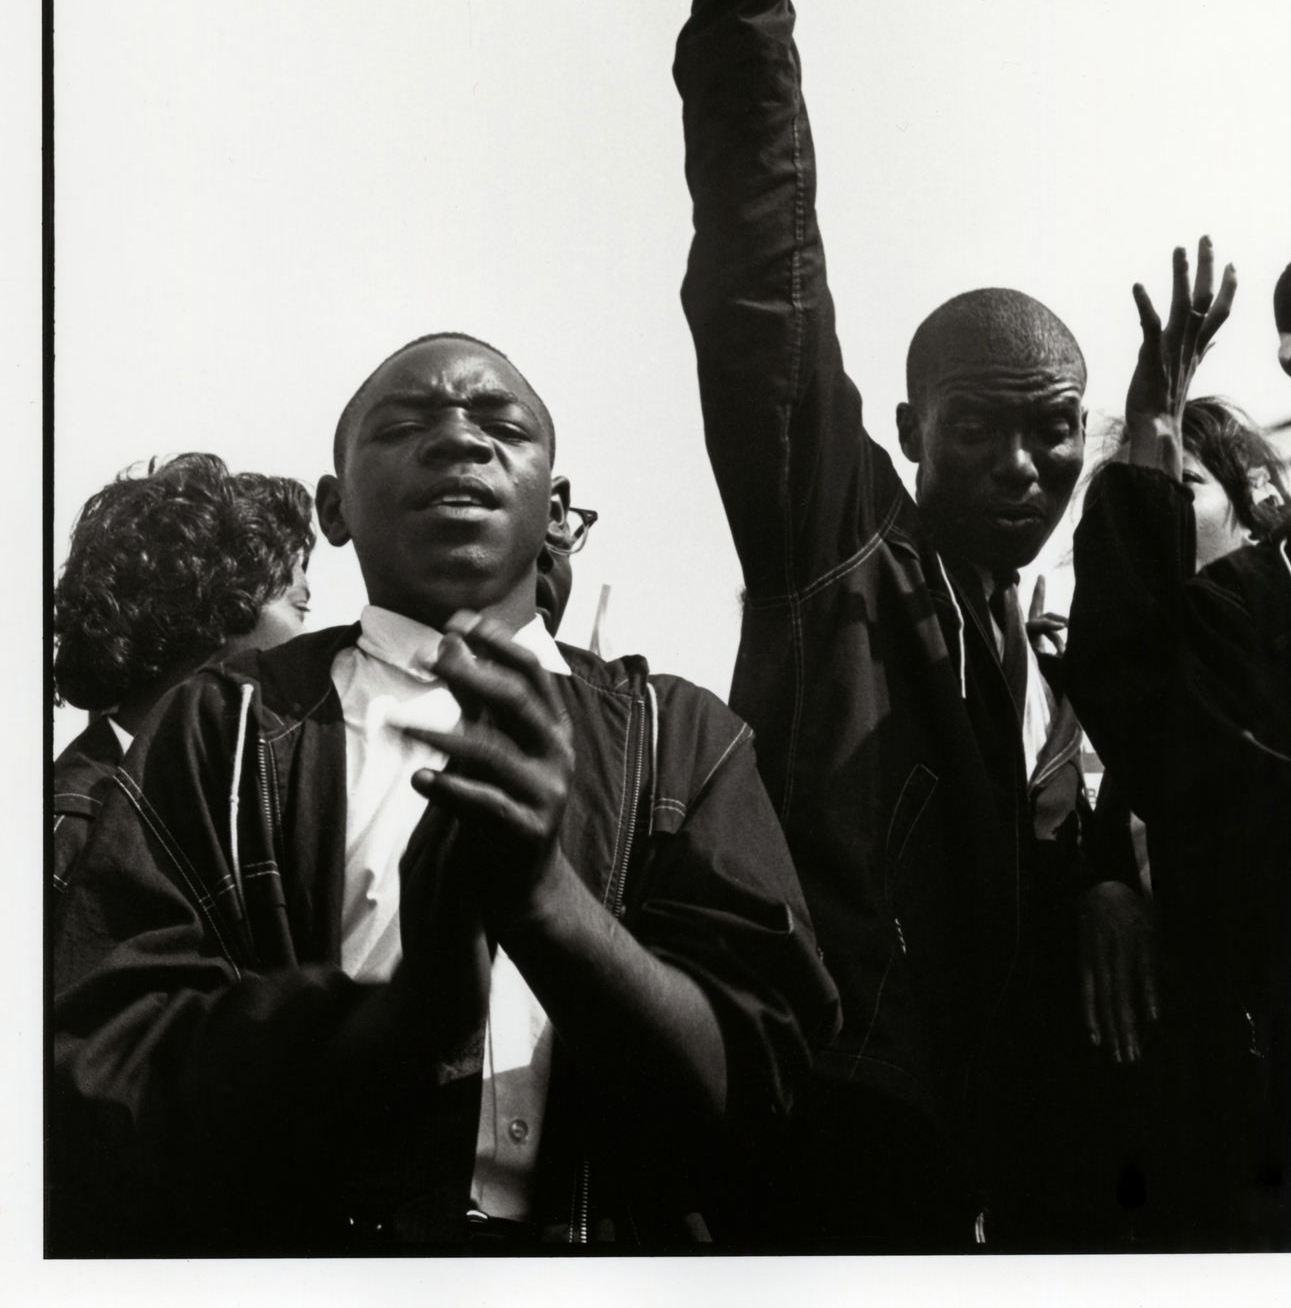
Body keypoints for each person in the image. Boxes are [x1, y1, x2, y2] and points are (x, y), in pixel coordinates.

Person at [52, 332, 838, 1253]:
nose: (461, 441)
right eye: (407, 423)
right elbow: (109, 1057)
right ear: (334, 510)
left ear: (556, 510)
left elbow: (760, 1080)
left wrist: (548, 907)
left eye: (501, 424)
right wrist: (405, 1016)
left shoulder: (685, 738)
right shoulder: (222, 725)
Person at [674, 0, 1135, 1249]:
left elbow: (1083, 816)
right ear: (909, 433)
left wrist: (1118, 868)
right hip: (827, 1132)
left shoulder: (1046, 670)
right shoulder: (842, 555)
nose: (1024, 463)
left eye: (1053, 427)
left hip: (993, 1166)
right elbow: (762, 277)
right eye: (982, 429)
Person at [1066, 234, 1291, 1248]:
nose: (1150, 496)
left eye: (1180, 479)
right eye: (1141, 480)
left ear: (1259, 502)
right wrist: (1102, 878)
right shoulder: (1131, 766)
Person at [51, 453, 314, 899]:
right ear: (215, 615)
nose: (308, 637)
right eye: (299, 607)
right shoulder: (66, 830)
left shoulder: (230, 806)